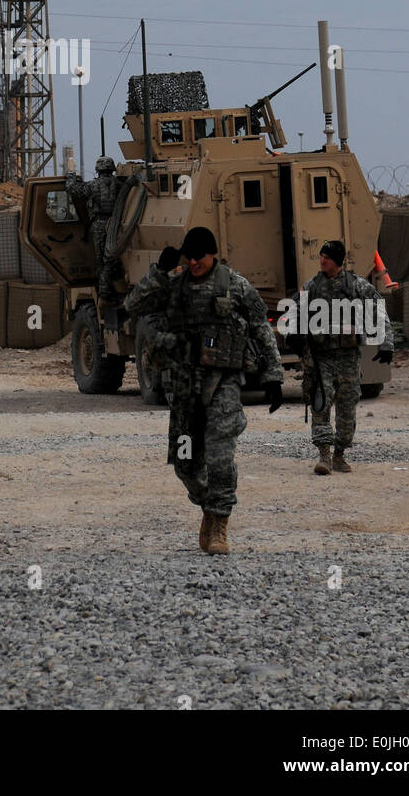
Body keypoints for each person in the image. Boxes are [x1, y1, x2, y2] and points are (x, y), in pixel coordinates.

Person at [125, 226, 283, 555]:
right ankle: (207, 503)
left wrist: (273, 375)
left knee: (221, 457)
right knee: (185, 463)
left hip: (222, 385)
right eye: (190, 256)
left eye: (201, 256)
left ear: (214, 254)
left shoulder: (234, 285)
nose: (195, 262)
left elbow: (260, 326)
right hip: (183, 388)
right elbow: (133, 305)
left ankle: (219, 522)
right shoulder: (174, 284)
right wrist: (158, 272)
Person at [296, 240, 393, 475]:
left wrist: (386, 343)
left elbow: (378, 310)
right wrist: (296, 334)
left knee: (347, 407)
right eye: (321, 257)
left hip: (348, 357)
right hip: (321, 357)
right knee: (321, 402)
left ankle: (340, 454)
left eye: (326, 258)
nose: (322, 261)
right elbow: (297, 311)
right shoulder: (312, 286)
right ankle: (324, 455)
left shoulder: (356, 285)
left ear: (336, 261)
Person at [65, 156, 122, 301]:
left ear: (98, 169)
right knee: (114, 258)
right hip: (116, 226)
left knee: (102, 261)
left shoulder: (93, 185)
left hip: (99, 225)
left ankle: (104, 293)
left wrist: (71, 177)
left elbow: (72, 189)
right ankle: (116, 287)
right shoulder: (120, 184)